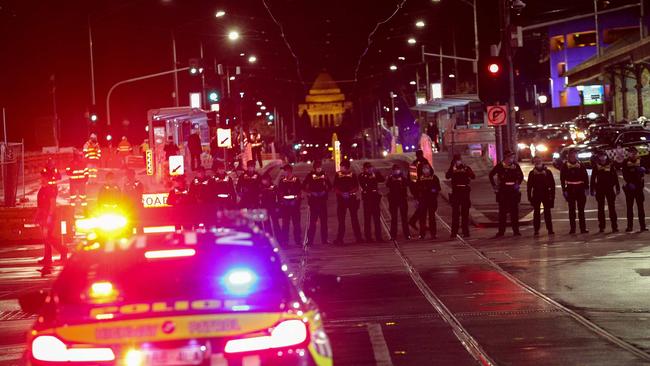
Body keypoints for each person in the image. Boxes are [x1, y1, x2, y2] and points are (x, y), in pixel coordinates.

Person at [35, 172, 68, 273]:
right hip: (43, 217)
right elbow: (40, 205)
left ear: (45, 179)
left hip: (49, 217)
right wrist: (37, 216)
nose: (39, 179)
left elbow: (52, 205)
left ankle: (63, 250)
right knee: (45, 238)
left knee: (48, 237)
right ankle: (47, 258)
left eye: (41, 178)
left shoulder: (49, 190)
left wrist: (49, 217)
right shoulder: (42, 190)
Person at [489, 150, 524, 237]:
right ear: (506, 157)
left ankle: (516, 231)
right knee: (502, 212)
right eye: (509, 157)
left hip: (513, 190)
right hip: (503, 191)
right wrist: (494, 186)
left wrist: (517, 184)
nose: (511, 159)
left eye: (512, 157)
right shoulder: (500, 166)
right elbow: (491, 174)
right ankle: (501, 231)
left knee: (514, 212)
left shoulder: (515, 166)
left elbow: (521, 176)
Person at [560, 149, 589, 234]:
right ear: (568, 156)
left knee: (581, 210)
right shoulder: (565, 165)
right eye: (571, 154)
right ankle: (572, 229)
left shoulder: (581, 164)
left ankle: (583, 228)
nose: (573, 156)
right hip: (570, 188)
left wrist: (586, 188)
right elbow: (562, 179)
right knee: (571, 210)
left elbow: (585, 176)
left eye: (574, 154)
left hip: (580, 188)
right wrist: (564, 190)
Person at [333, 160, 363, 244]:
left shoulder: (352, 175)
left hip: (351, 199)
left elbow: (357, 187)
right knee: (341, 220)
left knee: (354, 219)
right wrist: (342, 193)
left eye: (341, 166)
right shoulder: (338, 175)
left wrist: (348, 193)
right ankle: (340, 239)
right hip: (342, 199)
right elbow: (334, 187)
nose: (340, 168)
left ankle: (358, 238)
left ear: (344, 167)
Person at [446, 154, 475, 238]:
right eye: (456, 160)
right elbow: (447, 176)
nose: (458, 162)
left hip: (465, 192)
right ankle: (454, 232)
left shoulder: (465, 167)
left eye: (459, 160)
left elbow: (473, 176)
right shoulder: (452, 168)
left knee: (465, 213)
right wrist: (452, 167)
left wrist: (467, 171)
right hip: (456, 192)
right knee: (455, 213)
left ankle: (465, 231)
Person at [590, 150, 620, 233]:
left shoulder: (610, 165)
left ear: (606, 156)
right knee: (600, 208)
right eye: (600, 156)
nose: (602, 157)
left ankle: (614, 226)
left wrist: (617, 187)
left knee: (612, 208)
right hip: (600, 189)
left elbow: (615, 177)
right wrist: (592, 189)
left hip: (609, 188)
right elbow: (593, 178)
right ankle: (601, 226)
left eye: (603, 155)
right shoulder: (596, 166)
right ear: (598, 157)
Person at [303, 160, 331, 245]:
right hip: (314, 201)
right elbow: (304, 186)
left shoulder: (324, 175)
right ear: (314, 168)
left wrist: (325, 191)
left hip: (322, 200)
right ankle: (310, 240)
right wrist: (310, 192)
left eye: (320, 167)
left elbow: (330, 186)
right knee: (312, 222)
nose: (319, 169)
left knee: (324, 222)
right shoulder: (310, 175)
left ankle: (324, 240)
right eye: (317, 167)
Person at [527, 156, 556, 236]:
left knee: (547, 212)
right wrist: (529, 196)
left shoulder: (548, 172)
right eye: (536, 161)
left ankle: (550, 229)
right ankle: (536, 229)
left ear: (542, 161)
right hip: (536, 194)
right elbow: (529, 186)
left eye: (539, 160)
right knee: (536, 212)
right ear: (534, 162)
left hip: (546, 193)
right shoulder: (532, 173)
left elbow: (552, 185)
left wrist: (552, 196)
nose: (537, 162)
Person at [622, 147, 647, 232]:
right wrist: (629, 183)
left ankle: (642, 226)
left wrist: (643, 170)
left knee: (640, 207)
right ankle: (629, 226)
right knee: (629, 207)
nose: (632, 154)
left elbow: (646, 170)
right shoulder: (625, 162)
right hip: (630, 187)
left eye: (633, 152)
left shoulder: (641, 161)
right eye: (630, 152)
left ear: (636, 153)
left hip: (639, 187)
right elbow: (624, 174)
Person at [412, 164, 441, 239]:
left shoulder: (434, 177)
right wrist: (416, 198)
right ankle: (422, 234)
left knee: (432, 217)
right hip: (423, 200)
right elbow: (416, 189)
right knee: (422, 218)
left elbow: (438, 188)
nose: (425, 170)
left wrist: (432, 190)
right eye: (424, 169)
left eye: (427, 169)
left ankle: (433, 234)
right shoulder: (420, 178)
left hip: (432, 200)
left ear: (429, 169)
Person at [359, 162, 385, 242]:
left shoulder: (375, 174)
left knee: (377, 218)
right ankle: (368, 237)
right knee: (367, 219)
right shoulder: (362, 175)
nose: (369, 169)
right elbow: (363, 183)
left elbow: (382, 179)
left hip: (375, 198)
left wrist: (377, 173)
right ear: (364, 168)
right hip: (367, 199)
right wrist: (370, 177)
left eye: (370, 167)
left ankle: (379, 237)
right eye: (367, 168)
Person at [277, 165, 302, 246]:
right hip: (285, 206)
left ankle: (298, 240)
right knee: (285, 225)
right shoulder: (282, 180)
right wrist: (282, 201)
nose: (284, 172)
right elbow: (279, 192)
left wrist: (296, 200)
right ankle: (285, 241)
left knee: (296, 224)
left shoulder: (296, 180)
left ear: (289, 171)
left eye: (285, 170)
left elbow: (299, 192)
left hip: (294, 205)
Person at [385, 164, 410, 240]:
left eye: (397, 169)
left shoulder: (403, 178)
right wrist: (392, 180)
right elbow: (387, 185)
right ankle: (393, 235)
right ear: (392, 171)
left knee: (404, 218)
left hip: (402, 199)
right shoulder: (390, 178)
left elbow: (407, 183)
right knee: (394, 218)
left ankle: (407, 234)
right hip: (393, 200)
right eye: (395, 170)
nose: (396, 171)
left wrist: (401, 181)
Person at [259, 173, 280, 237]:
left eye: (264, 180)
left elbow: (278, 197)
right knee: (266, 224)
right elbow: (259, 197)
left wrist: (278, 206)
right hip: (264, 207)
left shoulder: (274, 187)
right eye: (263, 180)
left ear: (268, 180)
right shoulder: (261, 188)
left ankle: (279, 238)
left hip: (272, 206)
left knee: (275, 223)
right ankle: (269, 237)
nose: (263, 181)